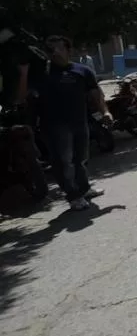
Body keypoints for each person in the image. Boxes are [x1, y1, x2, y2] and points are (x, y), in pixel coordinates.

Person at [28, 36, 110, 210]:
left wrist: (106, 112)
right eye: (51, 50)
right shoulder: (41, 74)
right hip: (54, 126)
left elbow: (96, 94)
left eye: (59, 48)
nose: (56, 52)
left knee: (81, 159)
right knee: (63, 162)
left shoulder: (82, 71)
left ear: (69, 50)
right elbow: (25, 96)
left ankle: (84, 189)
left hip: (80, 123)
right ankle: (73, 196)